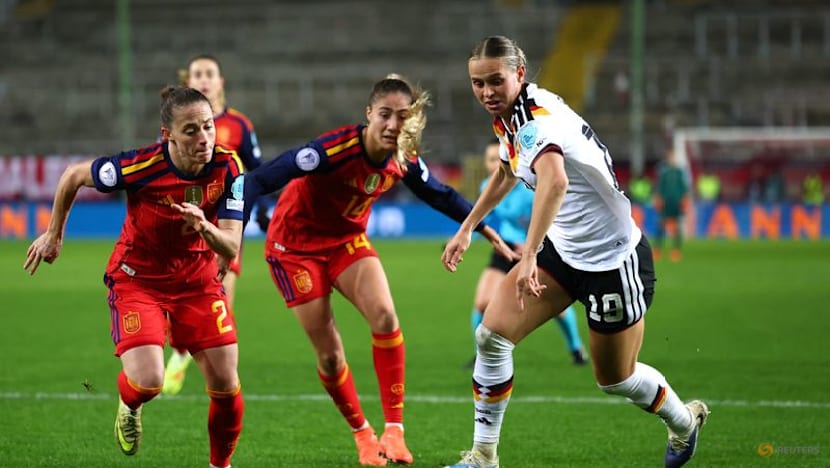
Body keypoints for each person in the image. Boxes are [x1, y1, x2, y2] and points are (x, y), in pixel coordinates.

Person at [441, 36, 709, 468]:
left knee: (616, 378)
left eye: (495, 81)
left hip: (613, 260)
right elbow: (509, 169)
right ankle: (483, 456)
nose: (487, 92)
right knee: (491, 337)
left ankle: (684, 423)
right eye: (477, 83)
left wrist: (527, 254)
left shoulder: (535, 120)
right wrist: (468, 226)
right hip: (564, 253)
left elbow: (555, 180)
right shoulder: (511, 117)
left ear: (519, 74)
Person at [243, 74, 515, 466]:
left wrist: (483, 229)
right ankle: (362, 435)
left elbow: (439, 194)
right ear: (369, 114)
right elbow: (260, 179)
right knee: (331, 355)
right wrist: (233, 228)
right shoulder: (331, 150)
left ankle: (394, 430)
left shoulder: (402, 158)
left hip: (345, 242)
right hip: (294, 249)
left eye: (402, 117)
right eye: (385, 115)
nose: (393, 125)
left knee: (386, 315)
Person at [23, 86, 245, 468]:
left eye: (208, 126)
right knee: (148, 382)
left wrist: (205, 228)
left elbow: (231, 247)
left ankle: (219, 466)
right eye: (190, 130)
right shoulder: (141, 166)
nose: (204, 138)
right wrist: (54, 233)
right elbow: (75, 175)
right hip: (138, 279)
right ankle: (129, 403)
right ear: (168, 136)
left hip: (196, 281)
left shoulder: (229, 168)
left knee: (227, 387)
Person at [163, 54, 271, 396]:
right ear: (188, 81)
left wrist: (262, 209)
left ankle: (224, 373)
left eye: (210, 74)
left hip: (226, 226)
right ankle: (181, 351)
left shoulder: (239, 125)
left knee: (220, 300)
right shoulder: (176, 126)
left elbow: (257, 173)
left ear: (220, 82)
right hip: (187, 231)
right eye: (197, 74)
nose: (204, 79)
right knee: (181, 302)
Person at [467, 137, 586, 369]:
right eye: (490, 160)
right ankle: (480, 357)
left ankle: (576, 349)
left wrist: (532, 246)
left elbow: (551, 219)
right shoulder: (486, 187)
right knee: (481, 303)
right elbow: (487, 220)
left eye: (497, 158)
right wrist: (466, 235)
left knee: (555, 308)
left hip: (536, 250)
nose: (493, 164)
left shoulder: (531, 187)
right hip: (506, 249)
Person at [654, 149, 690, 262]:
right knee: (661, 225)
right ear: (668, 159)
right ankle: (657, 250)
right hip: (666, 203)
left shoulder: (679, 172)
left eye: (674, 158)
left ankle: (676, 251)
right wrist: (659, 198)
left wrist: (684, 199)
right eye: (671, 158)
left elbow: (684, 187)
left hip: (676, 203)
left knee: (676, 227)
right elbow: (660, 187)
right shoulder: (664, 172)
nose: (672, 160)